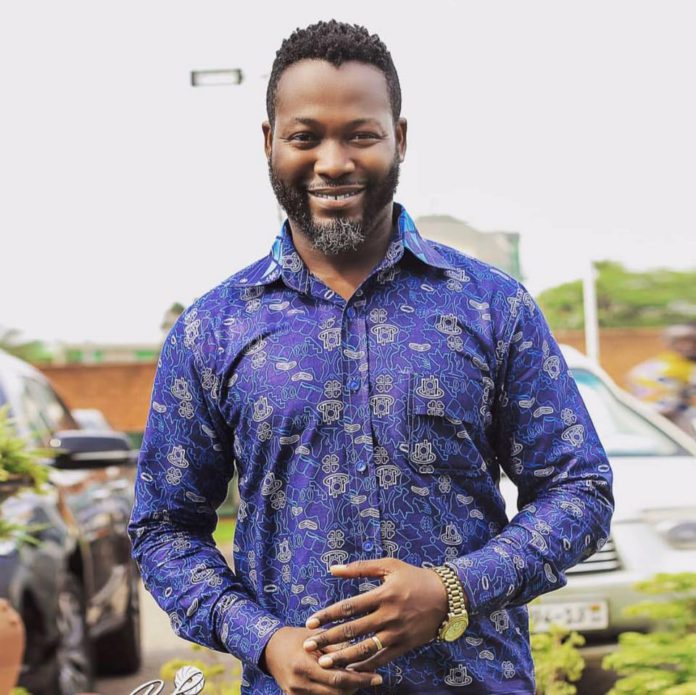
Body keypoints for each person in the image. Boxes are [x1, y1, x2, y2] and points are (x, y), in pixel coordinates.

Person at [129, 20, 614, 694]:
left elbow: (578, 487)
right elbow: (164, 527)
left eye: (360, 134)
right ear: (269, 141)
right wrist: (264, 640)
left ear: (399, 138)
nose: (333, 162)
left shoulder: (491, 306)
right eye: (305, 137)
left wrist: (453, 588)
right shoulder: (213, 329)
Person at [626, 323, 696, 437]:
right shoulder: (658, 369)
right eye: (684, 341)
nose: (689, 346)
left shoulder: (687, 367)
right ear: (671, 344)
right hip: (658, 423)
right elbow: (665, 408)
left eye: (693, 341)